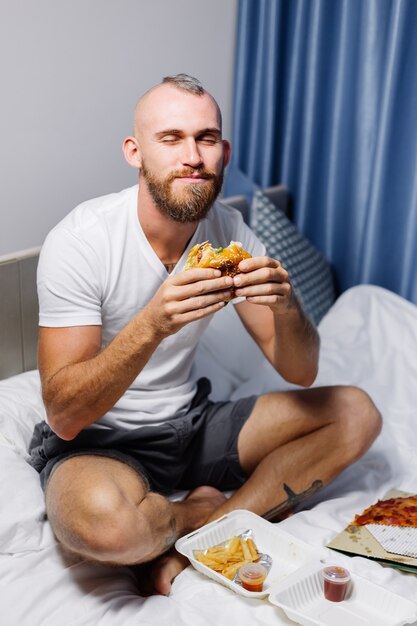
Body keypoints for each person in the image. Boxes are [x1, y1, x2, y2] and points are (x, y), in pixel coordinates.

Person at [30, 74, 381, 596]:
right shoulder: (82, 241)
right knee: (109, 525)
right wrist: (152, 324)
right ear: (135, 152)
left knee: (356, 413)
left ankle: (200, 537)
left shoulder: (231, 230)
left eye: (206, 138)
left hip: (189, 425)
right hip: (99, 441)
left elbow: (302, 370)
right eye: (170, 138)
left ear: (224, 151)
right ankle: (196, 510)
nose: (192, 155)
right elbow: (65, 413)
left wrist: (285, 305)